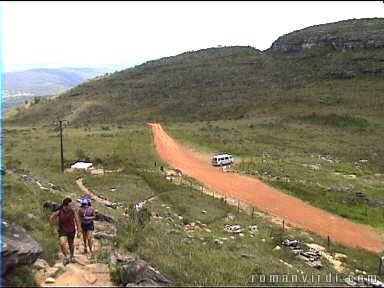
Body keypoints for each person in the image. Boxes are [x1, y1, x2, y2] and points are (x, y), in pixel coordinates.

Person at [49, 197, 81, 265]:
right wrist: (52, 226)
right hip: (62, 230)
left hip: (71, 230)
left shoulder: (72, 211)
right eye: (70, 205)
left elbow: (77, 220)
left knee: (71, 244)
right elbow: (51, 217)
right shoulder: (60, 211)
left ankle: (72, 256)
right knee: (62, 243)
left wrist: (79, 231)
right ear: (65, 205)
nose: (71, 206)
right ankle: (66, 257)